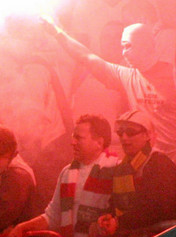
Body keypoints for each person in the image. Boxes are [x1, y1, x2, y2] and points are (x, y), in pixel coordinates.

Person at [41, 18, 176, 161]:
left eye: (128, 46)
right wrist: (57, 33)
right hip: (142, 162)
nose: (123, 53)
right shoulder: (127, 76)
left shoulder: (172, 75)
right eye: (122, 47)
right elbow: (87, 57)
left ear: (144, 45)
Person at [6, 114, 118, 237]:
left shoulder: (116, 170)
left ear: (99, 143)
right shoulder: (67, 173)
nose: (73, 142)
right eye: (73, 136)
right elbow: (52, 216)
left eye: (79, 138)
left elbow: (124, 216)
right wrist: (22, 227)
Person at [90, 109, 176, 237]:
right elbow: (117, 204)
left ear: (147, 135)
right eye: (120, 132)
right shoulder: (123, 168)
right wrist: (107, 217)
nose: (124, 137)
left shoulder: (159, 163)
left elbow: (159, 208)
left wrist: (119, 223)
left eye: (130, 132)